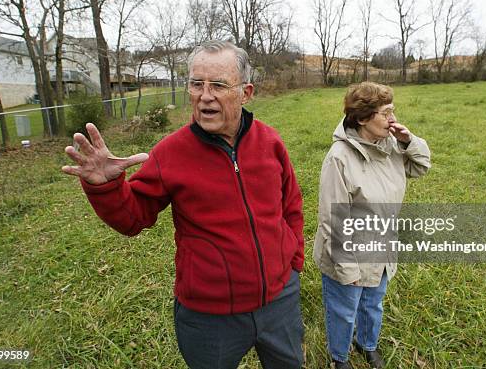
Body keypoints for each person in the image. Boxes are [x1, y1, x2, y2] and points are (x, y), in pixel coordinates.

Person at [61, 40, 305, 369]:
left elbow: (291, 203)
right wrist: (105, 187)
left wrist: (293, 264)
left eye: (218, 85)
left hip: (280, 301)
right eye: (196, 84)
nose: (205, 96)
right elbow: (133, 218)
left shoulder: (270, 142)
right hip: (210, 317)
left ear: (245, 92)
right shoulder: (170, 153)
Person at [313, 82, 431, 369]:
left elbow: (420, 167)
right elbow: (332, 221)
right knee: (344, 310)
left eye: (393, 110)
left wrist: (408, 140)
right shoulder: (339, 158)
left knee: (372, 304)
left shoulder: (390, 146)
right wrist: (348, 268)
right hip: (347, 252)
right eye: (386, 112)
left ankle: (367, 344)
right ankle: (339, 357)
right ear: (364, 118)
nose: (393, 119)